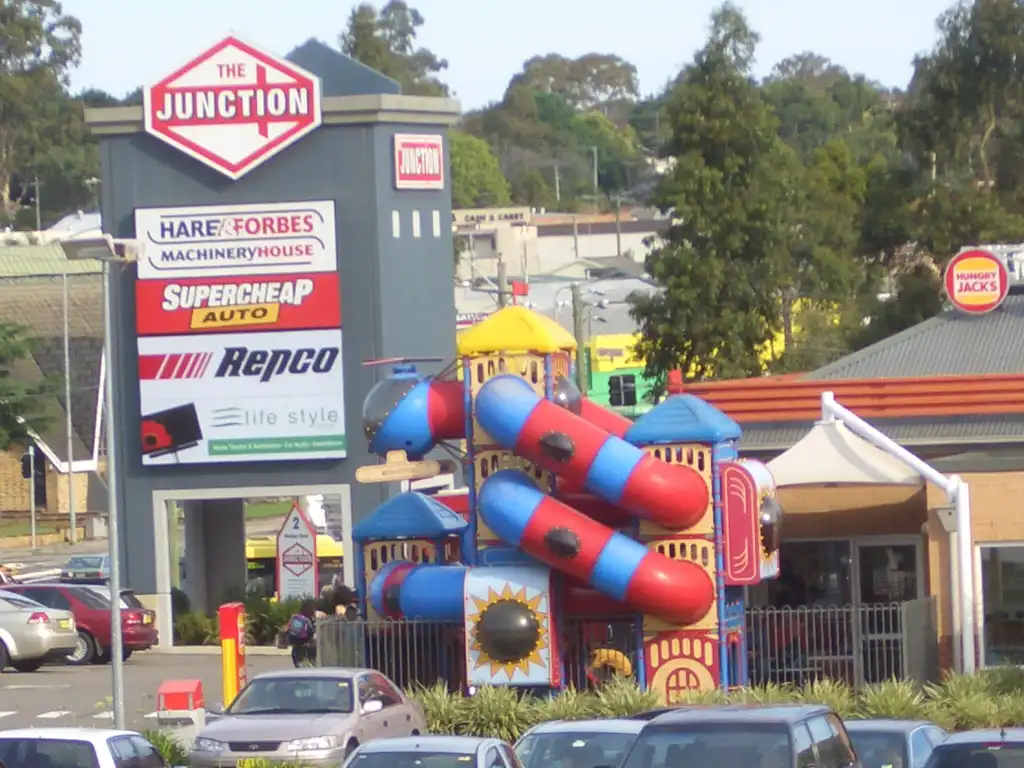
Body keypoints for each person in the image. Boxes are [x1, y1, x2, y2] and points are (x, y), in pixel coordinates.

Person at [286, 599, 317, 667]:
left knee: (300, 672)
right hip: (307, 651)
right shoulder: (310, 621)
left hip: (295, 651)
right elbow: (312, 635)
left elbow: (288, 630)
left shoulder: (295, 617)